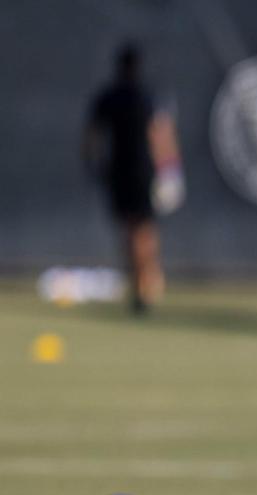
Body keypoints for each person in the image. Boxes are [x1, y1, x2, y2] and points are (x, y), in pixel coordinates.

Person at [84, 43, 181, 314]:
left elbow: (91, 138)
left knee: (133, 230)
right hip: (139, 173)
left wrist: (93, 165)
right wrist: (170, 171)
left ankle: (143, 282)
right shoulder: (142, 95)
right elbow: (162, 135)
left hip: (122, 173)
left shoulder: (114, 96)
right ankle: (145, 281)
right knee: (142, 230)